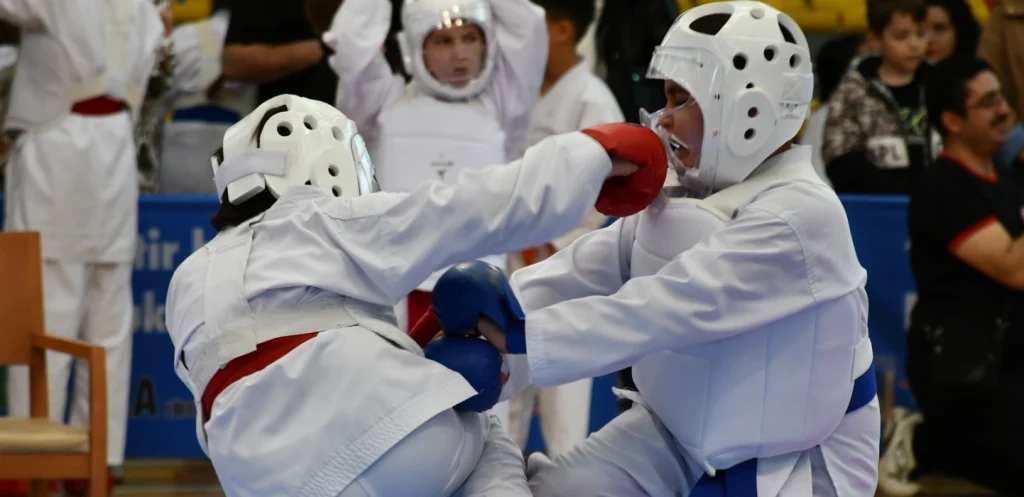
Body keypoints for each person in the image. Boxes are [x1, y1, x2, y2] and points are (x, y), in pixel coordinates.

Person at [426, 3, 881, 495]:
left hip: (792, 460)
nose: (663, 120)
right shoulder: (686, 188)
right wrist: (494, 322)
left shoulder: (800, 215)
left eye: (680, 100)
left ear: (750, 110)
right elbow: (590, 266)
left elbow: (660, 309)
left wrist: (520, 335)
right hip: (673, 430)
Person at [164, 94, 666, 497]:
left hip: (256, 479)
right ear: (329, 161)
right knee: (476, 404)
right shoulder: (314, 221)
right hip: (387, 445)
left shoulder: (186, 280)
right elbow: (467, 209)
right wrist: (592, 154)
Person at [0, 0, 165, 495]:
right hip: (111, 147)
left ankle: (38, 458)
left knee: (51, 311)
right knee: (106, 315)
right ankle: (99, 460)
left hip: (62, 145)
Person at [322, 0, 548, 337]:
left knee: (479, 384)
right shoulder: (381, 103)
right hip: (393, 288)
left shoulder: (503, 104)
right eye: (443, 41)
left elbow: (528, 26)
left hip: (479, 287)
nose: (460, 54)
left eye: (470, 38)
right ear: (416, 46)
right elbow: (353, 47)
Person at [881, 56, 1024, 497]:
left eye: (1001, 97)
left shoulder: (1006, 174)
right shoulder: (943, 189)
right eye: (988, 102)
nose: (1004, 109)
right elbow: (1016, 269)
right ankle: (922, 442)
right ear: (952, 121)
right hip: (969, 369)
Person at [503, 0, 624, 458]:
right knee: (505, 408)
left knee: (564, 421)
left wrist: (549, 239)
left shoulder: (593, 99)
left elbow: (604, 197)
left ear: (560, 29)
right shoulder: (519, 93)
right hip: (512, 264)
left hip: (569, 273)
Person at [823, 0, 938, 194]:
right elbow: (840, 155)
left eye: (921, 34)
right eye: (901, 36)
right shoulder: (854, 90)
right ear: (875, 39)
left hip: (938, 205)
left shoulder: (940, 84)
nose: (914, 44)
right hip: (878, 206)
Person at [160, 0, 258, 194]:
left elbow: (158, 99)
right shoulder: (258, 44)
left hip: (177, 150)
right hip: (235, 150)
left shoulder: (182, 37)